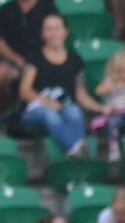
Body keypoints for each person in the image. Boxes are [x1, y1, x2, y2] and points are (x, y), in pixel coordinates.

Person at [19, 14, 104, 158]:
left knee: (74, 111)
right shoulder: (34, 58)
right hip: (37, 108)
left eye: (58, 28)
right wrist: (47, 102)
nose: (54, 33)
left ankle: (74, 154)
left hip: (64, 106)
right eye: (49, 29)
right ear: (42, 34)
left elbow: (81, 95)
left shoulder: (75, 61)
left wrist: (103, 109)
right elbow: (24, 91)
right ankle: (77, 149)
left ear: (65, 32)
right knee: (50, 115)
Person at [0, 0, 51, 110]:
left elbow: (55, 39)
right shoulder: (5, 10)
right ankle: (6, 111)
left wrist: (37, 63)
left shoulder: (48, 9)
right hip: (15, 63)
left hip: (43, 62)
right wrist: (17, 60)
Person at [91, 50, 125, 162]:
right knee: (113, 122)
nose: (123, 74)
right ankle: (114, 148)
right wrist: (114, 86)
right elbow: (98, 91)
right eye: (120, 70)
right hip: (114, 111)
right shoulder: (110, 81)